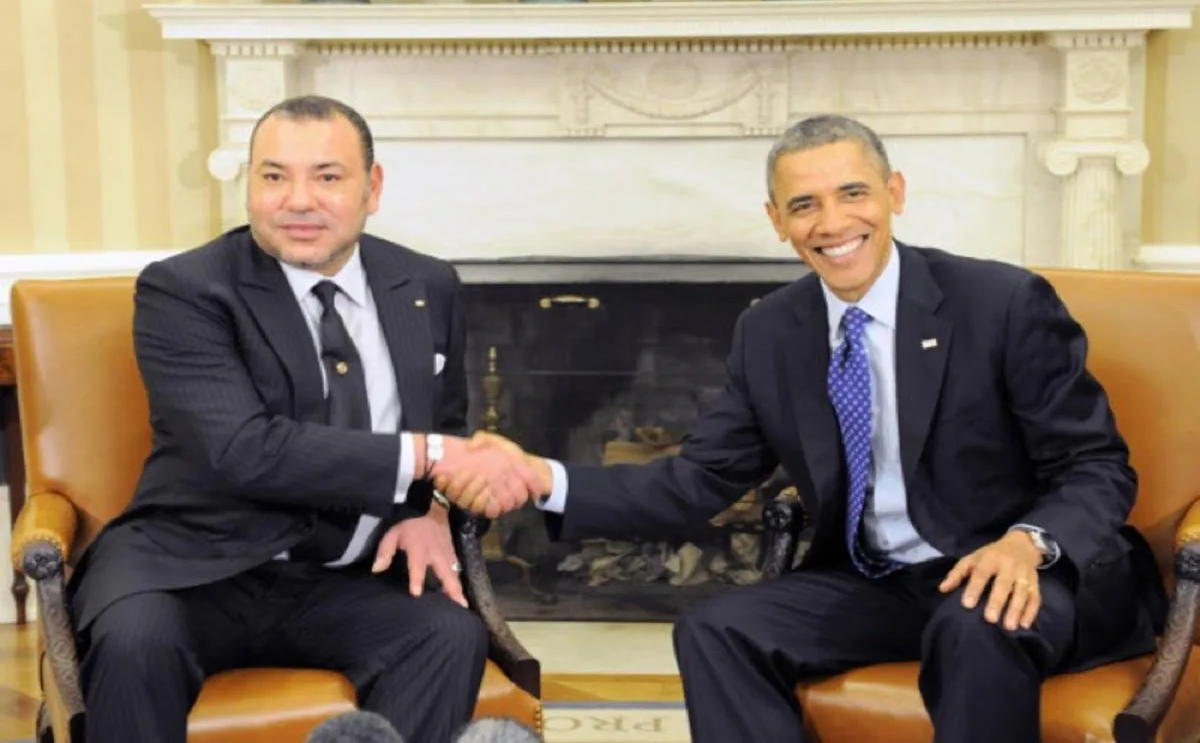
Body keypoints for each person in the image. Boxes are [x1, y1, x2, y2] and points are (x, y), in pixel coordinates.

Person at [434, 114, 1168, 742]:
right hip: (880, 582)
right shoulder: (771, 331)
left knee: (974, 626)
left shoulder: (1000, 302)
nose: (832, 223)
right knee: (717, 629)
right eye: (804, 205)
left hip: (1018, 573)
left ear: (895, 193)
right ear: (777, 220)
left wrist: (1027, 543)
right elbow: (696, 481)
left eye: (853, 193)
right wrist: (542, 477)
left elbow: (1096, 465)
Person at [67, 94, 538, 743]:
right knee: (134, 642)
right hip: (191, 567)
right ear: (249, 185)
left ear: (372, 188)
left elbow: (448, 425)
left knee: (446, 635)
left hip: (349, 576)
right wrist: (428, 458)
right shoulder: (185, 290)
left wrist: (429, 513)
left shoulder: (426, 285)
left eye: (327, 176)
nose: (298, 200)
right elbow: (243, 450)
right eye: (274, 176)